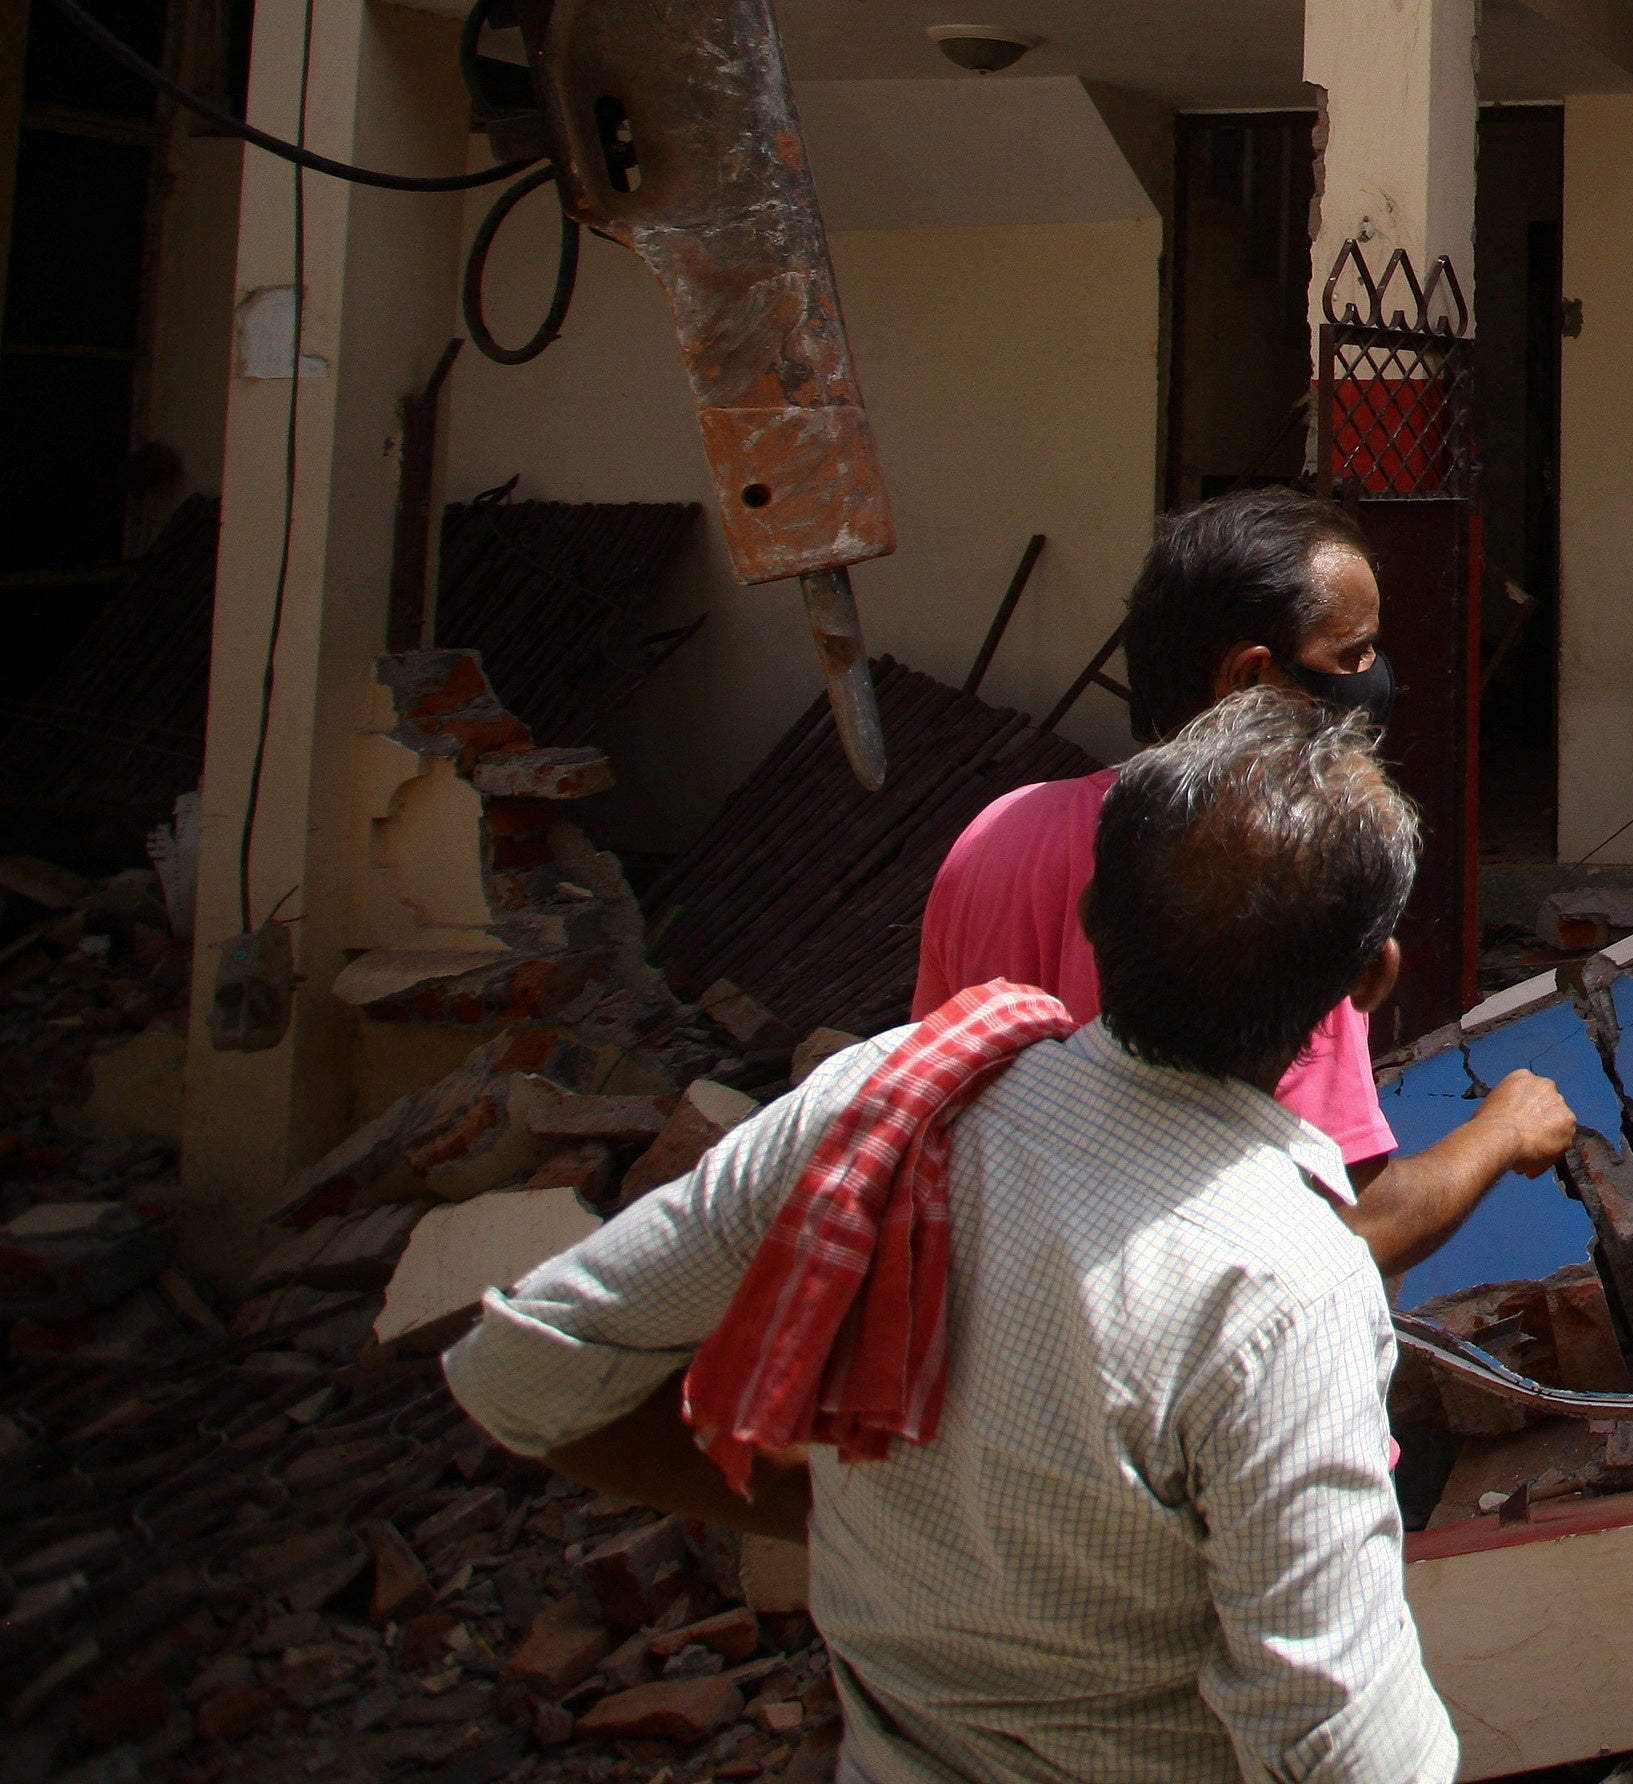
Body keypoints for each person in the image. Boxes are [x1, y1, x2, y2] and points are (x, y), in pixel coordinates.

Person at [449, 688, 1464, 1784]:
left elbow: (522, 1374)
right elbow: (1343, 1751)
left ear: (1091, 915)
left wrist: (835, 1518)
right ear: (1371, 982)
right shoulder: (1285, 1286)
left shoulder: (882, 1106)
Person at [914, 485, 1569, 1272]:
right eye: (1353, 654)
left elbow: (942, 1110)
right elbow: (1347, 1230)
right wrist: (1502, 1131)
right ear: (1253, 678)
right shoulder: (1282, 881)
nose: (1375, 678)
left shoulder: (997, 832)